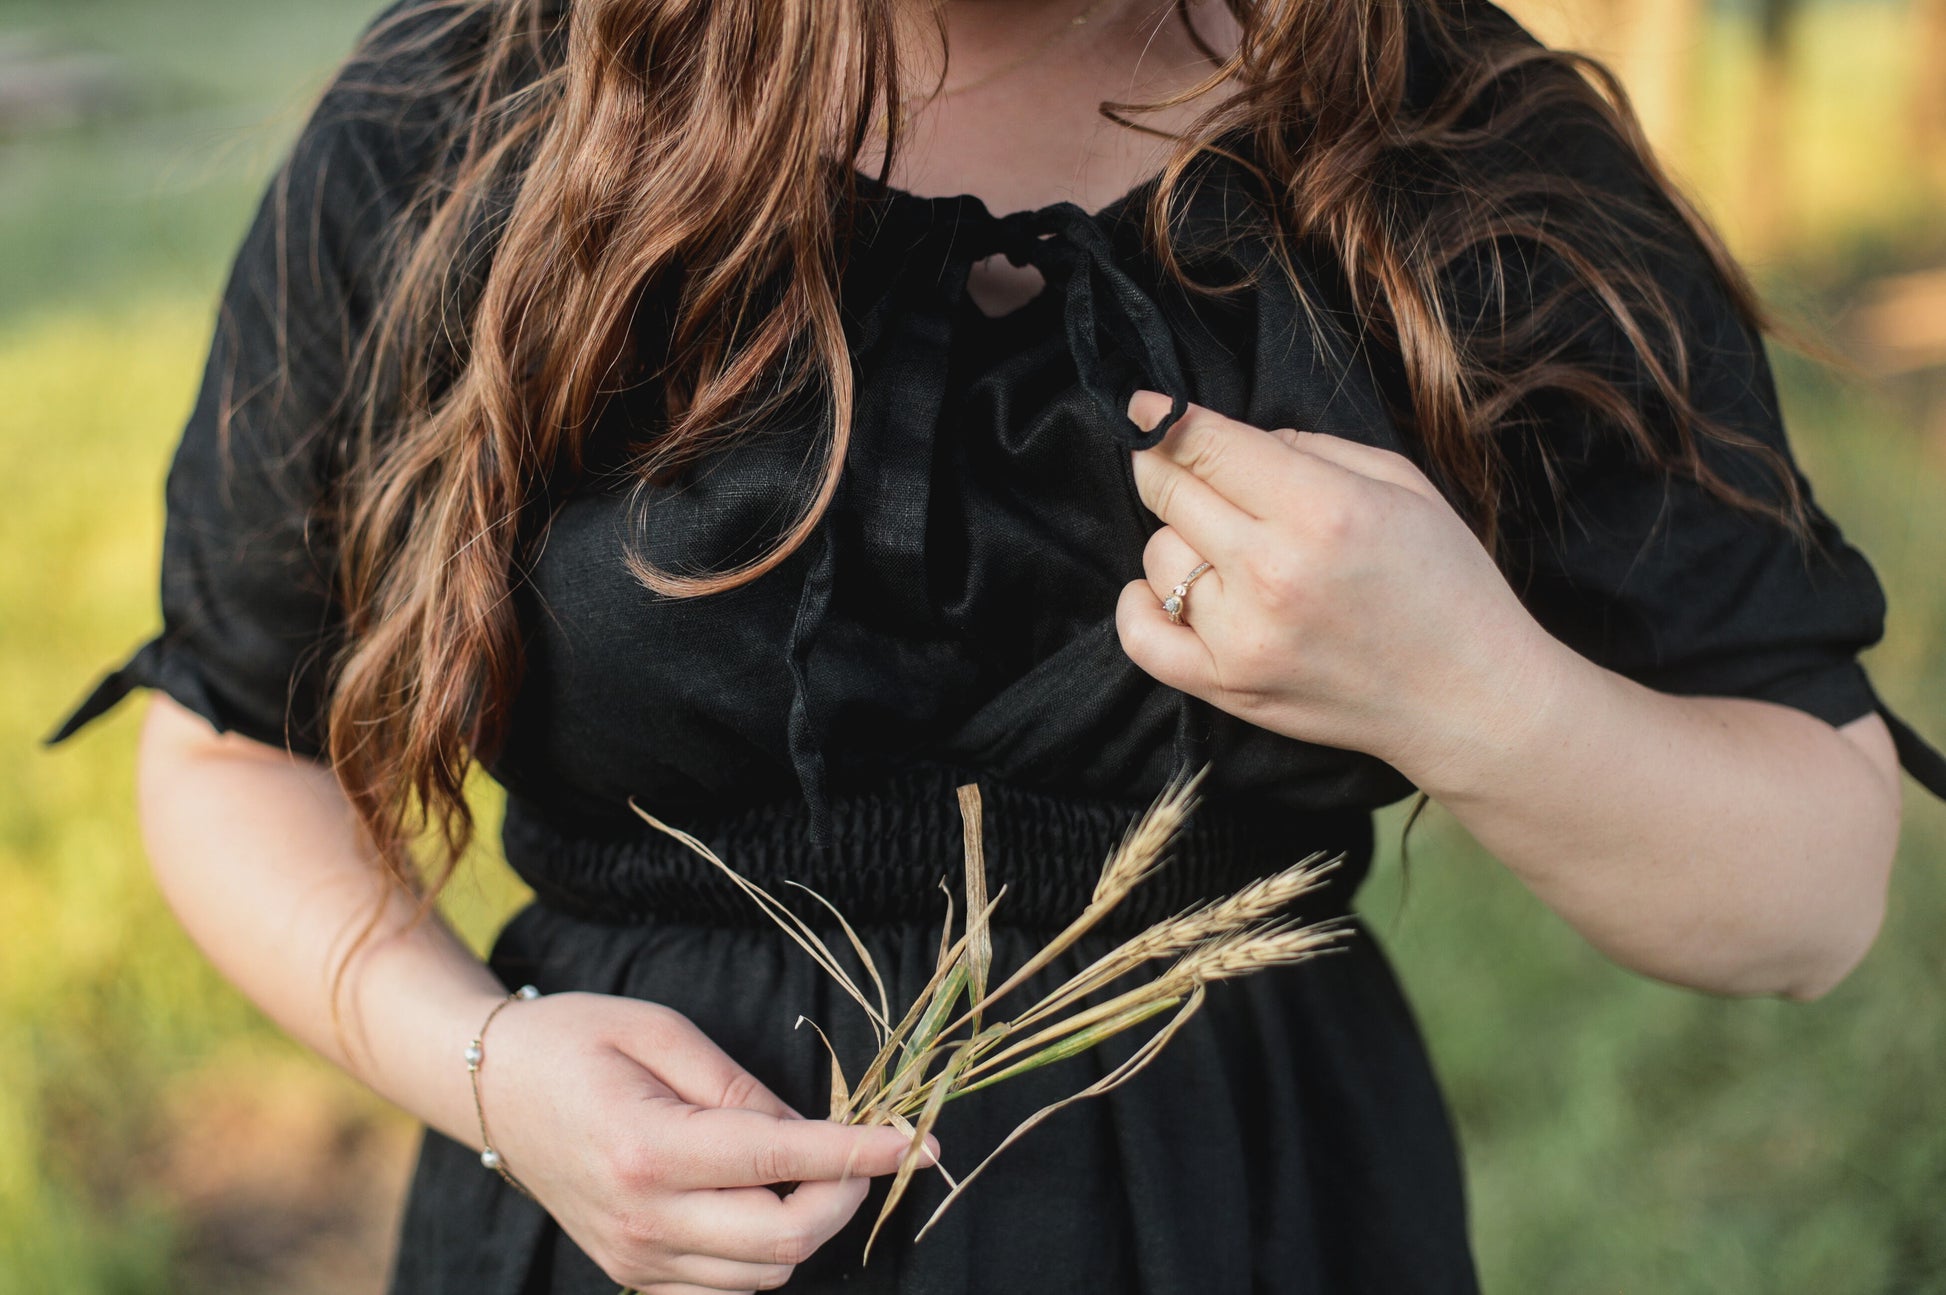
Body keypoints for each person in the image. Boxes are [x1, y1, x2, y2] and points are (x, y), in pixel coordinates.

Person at [44, 0, 1946, 1290]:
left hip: (1250, 1219)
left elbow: (1807, 894)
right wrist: (482, 1064)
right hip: (606, 1240)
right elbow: (234, 743)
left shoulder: (1452, 145)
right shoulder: (477, 109)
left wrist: (1478, 694)